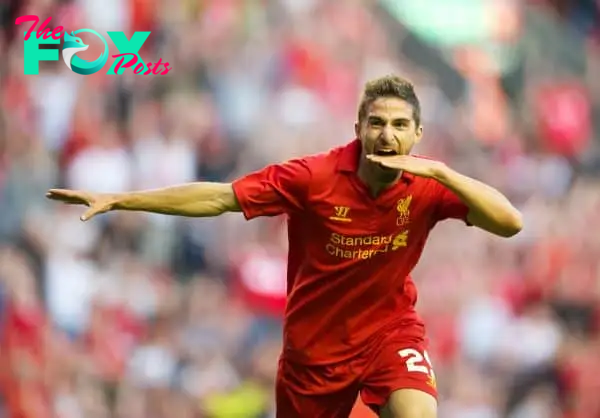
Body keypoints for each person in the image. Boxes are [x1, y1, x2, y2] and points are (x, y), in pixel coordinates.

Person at [46, 75, 523, 418]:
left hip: (388, 333)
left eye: (400, 124)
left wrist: (440, 171)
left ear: (417, 134)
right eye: (376, 122)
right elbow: (219, 197)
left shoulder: (427, 184)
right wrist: (121, 199)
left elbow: (509, 223)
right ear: (358, 128)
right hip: (314, 353)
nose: (387, 134)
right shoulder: (313, 178)